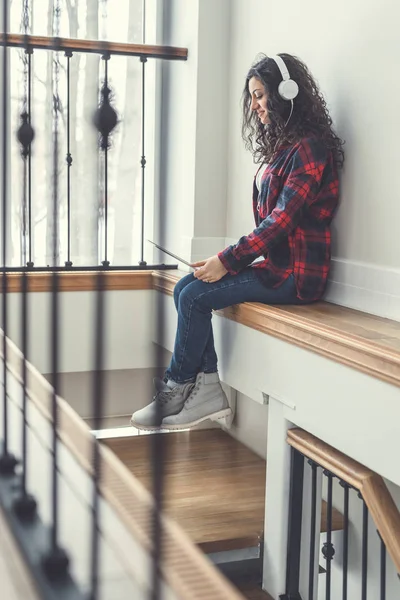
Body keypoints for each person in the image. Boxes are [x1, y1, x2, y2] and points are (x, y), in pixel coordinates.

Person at [131, 53, 344, 431]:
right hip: (276, 268)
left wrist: (228, 260)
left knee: (194, 296)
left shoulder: (310, 149)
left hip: (296, 276)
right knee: (186, 287)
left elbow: (280, 221)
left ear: (286, 91)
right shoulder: (283, 151)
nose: (255, 105)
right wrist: (230, 261)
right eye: (252, 97)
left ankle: (179, 385)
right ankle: (208, 384)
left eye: (260, 95)